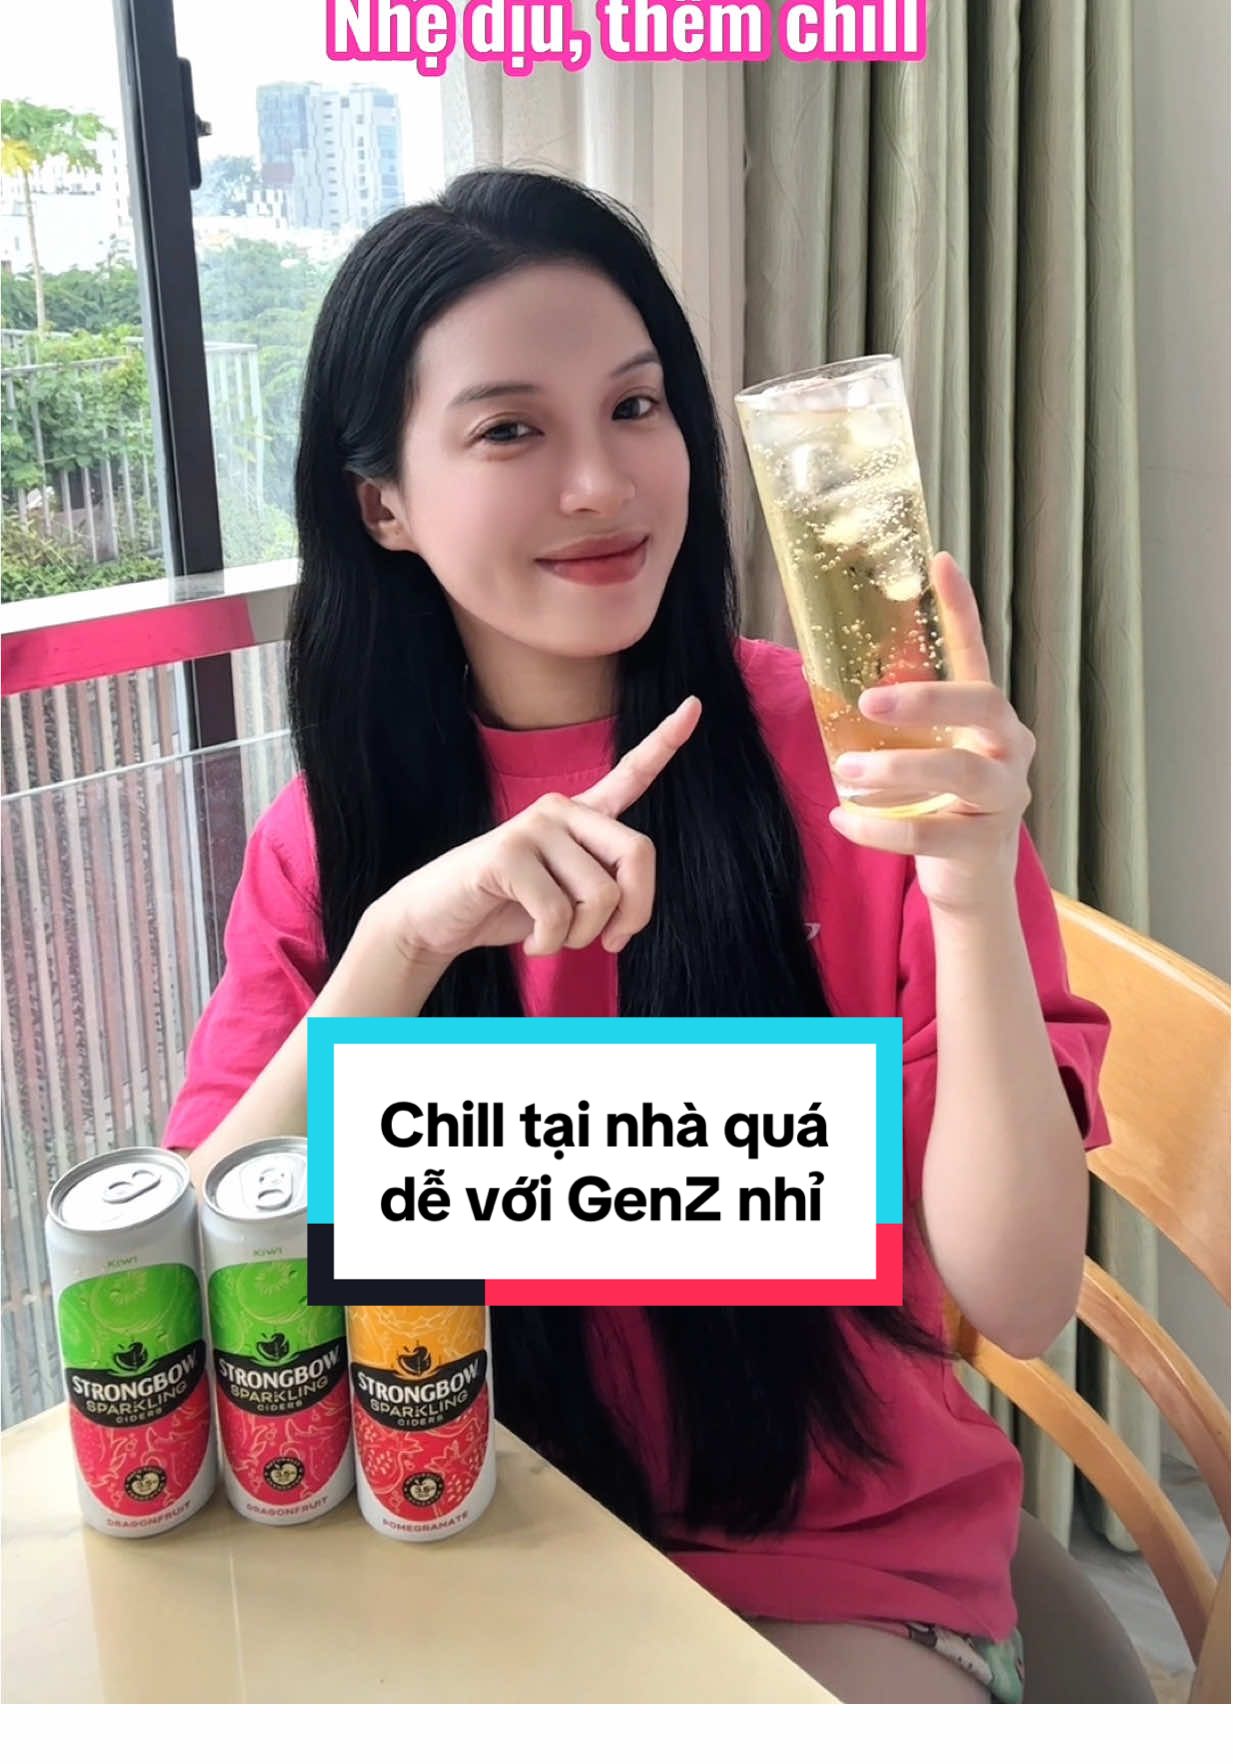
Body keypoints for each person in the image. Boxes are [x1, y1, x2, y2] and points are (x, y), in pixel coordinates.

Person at [164, 168, 1112, 1705]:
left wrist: (964, 884)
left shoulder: (873, 766)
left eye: (636, 406)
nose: (601, 484)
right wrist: (397, 949)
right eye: (510, 430)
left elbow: (1016, 1296)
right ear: (381, 503)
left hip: (835, 1577)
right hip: (455, 1547)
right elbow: (207, 1276)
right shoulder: (331, 841)